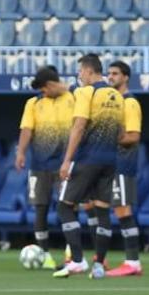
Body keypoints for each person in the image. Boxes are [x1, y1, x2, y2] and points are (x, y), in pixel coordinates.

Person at [53, 54, 125, 279]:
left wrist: (66, 160)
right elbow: (121, 133)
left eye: (80, 72)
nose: (79, 76)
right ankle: (99, 266)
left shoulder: (86, 92)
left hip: (86, 159)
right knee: (102, 210)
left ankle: (77, 260)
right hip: (110, 160)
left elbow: (79, 126)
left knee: (65, 207)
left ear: (89, 71)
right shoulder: (117, 95)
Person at [14, 65, 74, 261]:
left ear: (50, 85)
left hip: (65, 163)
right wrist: (21, 152)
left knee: (68, 206)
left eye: (43, 88)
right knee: (40, 207)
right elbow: (26, 129)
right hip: (39, 165)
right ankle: (44, 254)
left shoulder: (73, 97)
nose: (42, 92)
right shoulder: (33, 103)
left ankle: (70, 252)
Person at [104, 60, 144, 277]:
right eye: (109, 73)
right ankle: (128, 260)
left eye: (115, 73)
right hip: (113, 163)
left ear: (126, 77)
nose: (111, 77)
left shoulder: (129, 102)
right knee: (117, 209)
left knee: (123, 209)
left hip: (123, 163)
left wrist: (109, 137)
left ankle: (133, 261)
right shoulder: (115, 102)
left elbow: (133, 136)